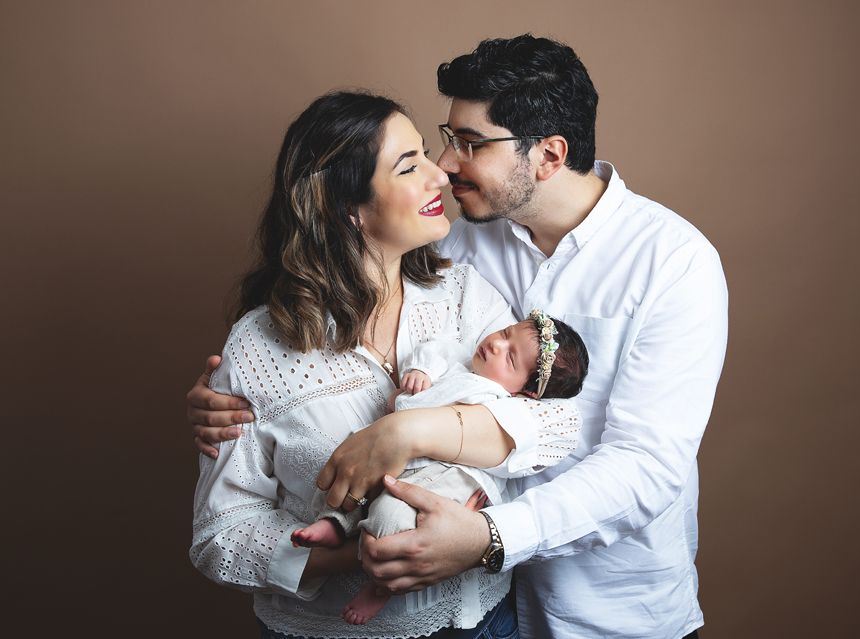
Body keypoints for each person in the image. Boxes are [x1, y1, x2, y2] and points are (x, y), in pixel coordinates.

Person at [189, 35, 728, 639]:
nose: (444, 168)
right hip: (486, 604)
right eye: (446, 141)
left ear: (549, 155)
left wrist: (475, 522)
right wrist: (234, 398)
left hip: (606, 604)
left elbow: (643, 464)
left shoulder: (671, 262)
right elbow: (334, 291)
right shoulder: (453, 241)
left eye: (468, 144)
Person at [189, 89, 583, 639]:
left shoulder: (465, 295)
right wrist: (363, 552)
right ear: (344, 207)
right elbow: (220, 536)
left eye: (426, 155)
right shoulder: (259, 346)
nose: (441, 176)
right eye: (408, 166)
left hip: (480, 624)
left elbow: (556, 428)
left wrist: (412, 429)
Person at [293, 310, 589, 625]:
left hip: (446, 476)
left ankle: (381, 587)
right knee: (354, 476)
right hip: (400, 456)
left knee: (391, 514)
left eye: (511, 358)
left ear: (528, 392)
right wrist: (421, 370)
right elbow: (437, 349)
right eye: (504, 333)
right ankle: (334, 524)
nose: (496, 345)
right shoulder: (461, 362)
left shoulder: (498, 399)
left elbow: (532, 434)